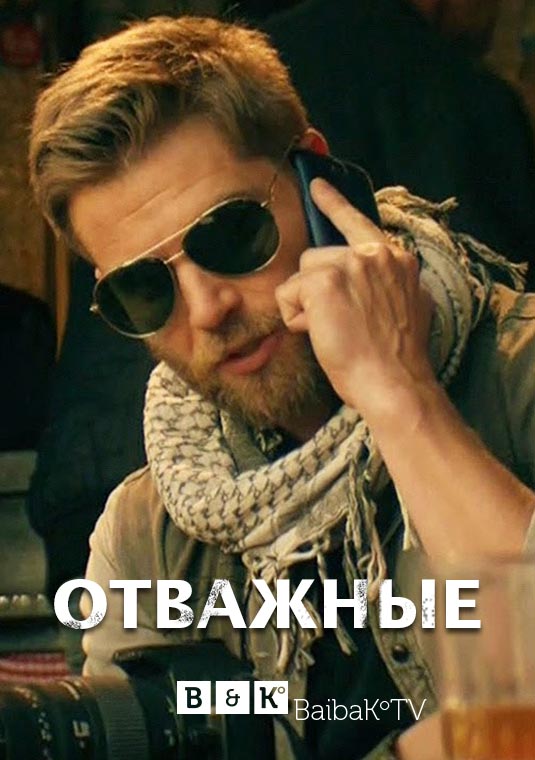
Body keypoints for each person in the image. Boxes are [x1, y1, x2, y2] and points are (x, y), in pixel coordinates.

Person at [29, 15, 535, 760]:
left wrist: (398, 393)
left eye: (230, 234)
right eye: (143, 289)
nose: (207, 309)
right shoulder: (149, 533)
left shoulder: (519, 376)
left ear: (315, 176)